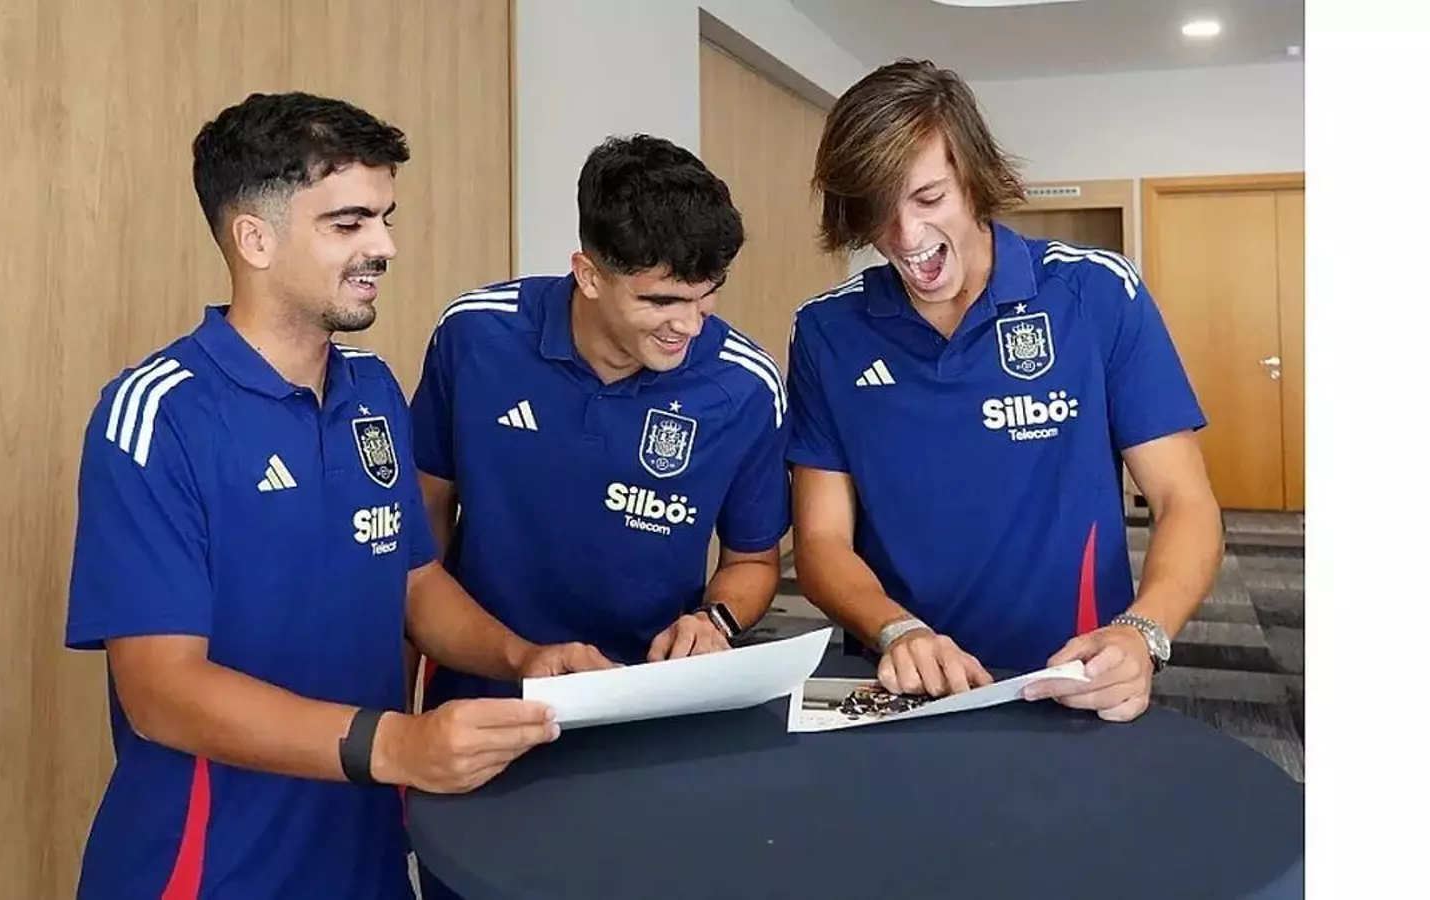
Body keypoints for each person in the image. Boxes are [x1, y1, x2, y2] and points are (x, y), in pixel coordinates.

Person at [62, 91, 613, 900]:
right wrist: (396, 745)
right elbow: (161, 692)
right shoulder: (157, 414)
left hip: (366, 857)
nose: (384, 246)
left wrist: (522, 658)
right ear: (254, 238)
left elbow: (412, 582)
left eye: (384, 219)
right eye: (348, 223)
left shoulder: (373, 390)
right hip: (213, 871)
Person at [405, 133, 790, 898]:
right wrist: (402, 713)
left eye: (706, 295)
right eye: (660, 301)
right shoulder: (475, 336)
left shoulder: (745, 386)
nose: (689, 325)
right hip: (486, 703)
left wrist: (715, 621)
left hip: (648, 721)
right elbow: (419, 540)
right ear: (587, 274)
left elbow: (752, 561)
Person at [786, 59, 1224, 724]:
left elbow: (1184, 501)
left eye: (928, 199)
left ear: (974, 177)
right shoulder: (827, 331)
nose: (905, 237)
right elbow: (820, 540)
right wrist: (897, 630)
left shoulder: (1097, 293)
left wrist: (1143, 632)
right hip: (905, 681)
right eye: (878, 208)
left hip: (1072, 677)